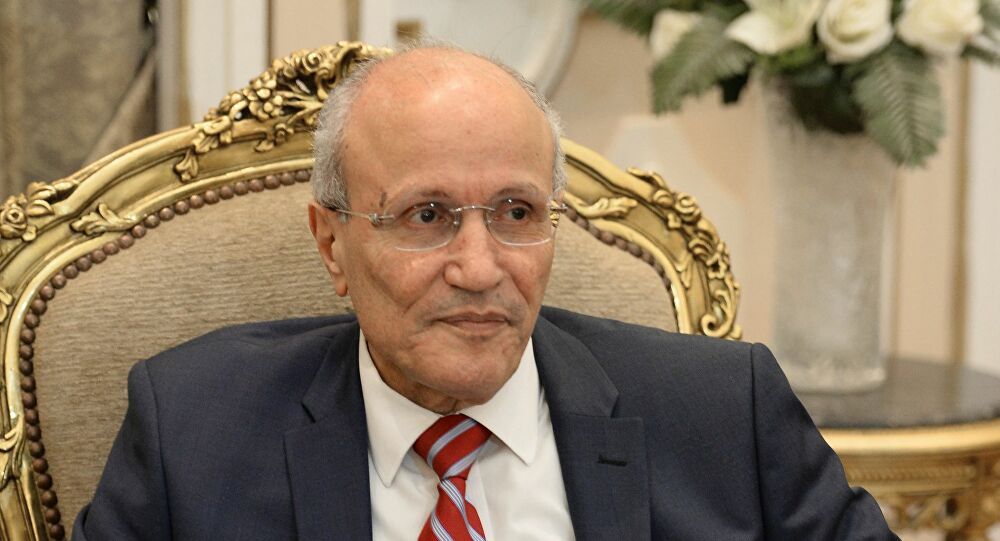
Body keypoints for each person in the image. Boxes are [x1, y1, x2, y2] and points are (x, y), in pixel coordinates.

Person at [73, 43, 898, 540]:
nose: (479, 267)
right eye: (427, 216)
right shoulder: (194, 431)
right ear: (332, 244)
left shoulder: (723, 412)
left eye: (516, 212)